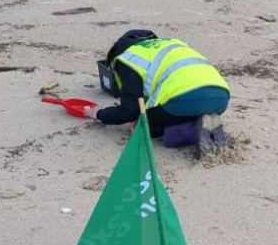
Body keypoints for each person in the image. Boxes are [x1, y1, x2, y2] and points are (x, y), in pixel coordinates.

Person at [84, 30, 230, 159]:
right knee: (179, 110)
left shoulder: (128, 58)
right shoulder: (172, 43)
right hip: (220, 96)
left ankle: (192, 131)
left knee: (141, 126)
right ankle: (209, 125)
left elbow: (129, 111)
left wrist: (99, 114)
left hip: (183, 98)